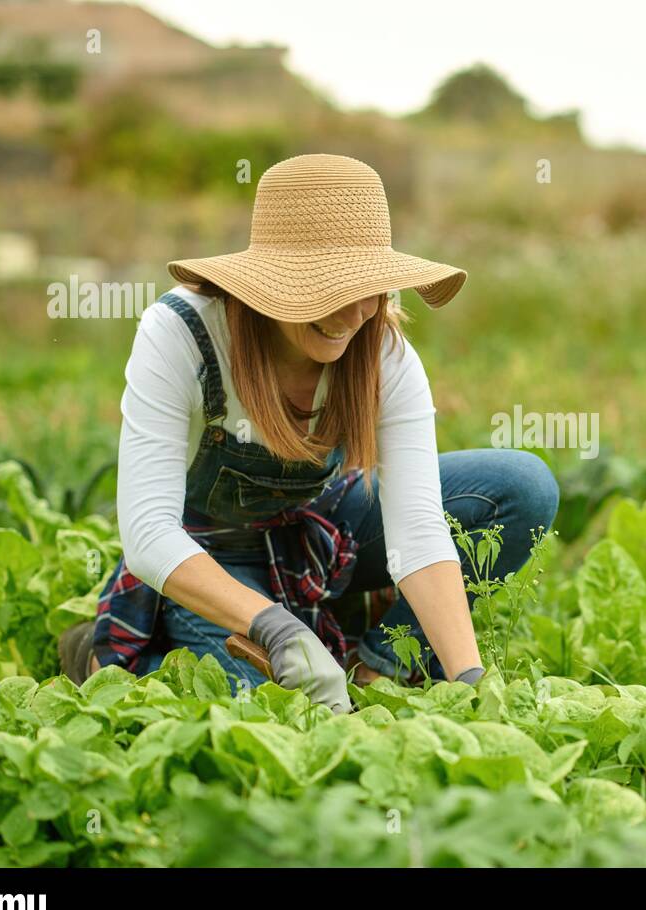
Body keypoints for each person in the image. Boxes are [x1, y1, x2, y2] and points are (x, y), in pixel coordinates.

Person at [60, 154, 559, 713]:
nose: (354, 315)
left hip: (320, 528)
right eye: (330, 291)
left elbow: (417, 533)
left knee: (522, 487)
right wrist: (272, 626)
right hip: (209, 549)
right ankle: (108, 658)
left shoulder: (385, 353)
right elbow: (149, 531)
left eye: (370, 289)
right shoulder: (181, 334)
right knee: (255, 710)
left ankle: (376, 670)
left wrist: (471, 681)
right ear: (270, 285)